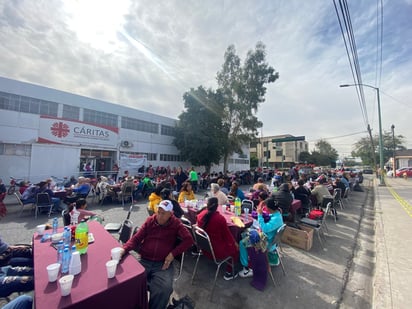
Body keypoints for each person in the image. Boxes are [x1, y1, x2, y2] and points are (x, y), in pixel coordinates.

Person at [120, 200, 193, 309]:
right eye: (159, 212)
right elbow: (136, 239)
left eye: (163, 213)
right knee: (129, 283)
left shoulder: (176, 223)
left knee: (164, 289)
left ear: (170, 214)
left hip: (162, 264)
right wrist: (124, 249)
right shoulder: (150, 221)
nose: (159, 216)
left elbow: (189, 240)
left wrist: (173, 254)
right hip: (145, 260)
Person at [238, 198, 284, 278]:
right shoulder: (277, 214)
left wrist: (259, 215)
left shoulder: (276, 219)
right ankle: (250, 256)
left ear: (269, 208)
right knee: (245, 233)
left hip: (266, 242)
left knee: (242, 243)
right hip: (269, 238)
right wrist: (262, 213)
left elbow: (265, 228)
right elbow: (268, 218)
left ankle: (247, 268)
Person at [196, 197, 239, 280]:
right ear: (217, 206)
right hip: (216, 251)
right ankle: (229, 272)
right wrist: (235, 243)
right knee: (235, 248)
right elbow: (228, 236)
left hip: (204, 248)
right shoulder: (220, 219)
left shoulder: (201, 214)